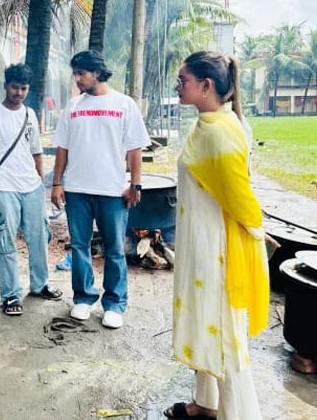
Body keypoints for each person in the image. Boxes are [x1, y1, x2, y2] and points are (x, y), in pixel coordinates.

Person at [164, 51, 271, 420]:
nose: (178, 87)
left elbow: (240, 196)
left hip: (218, 251)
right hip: (200, 244)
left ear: (206, 86)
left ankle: (240, 414)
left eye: (183, 81)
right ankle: (206, 403)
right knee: (204, 323)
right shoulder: (207, 123)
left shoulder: (221, 135)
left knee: (225, 337)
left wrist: (257, 229)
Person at [50, 50, 150, 329]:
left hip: (113, 191)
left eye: (81, 73)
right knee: (80, 246)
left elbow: (135, 149)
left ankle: (115, 303)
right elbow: (62, 148)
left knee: (115, 249)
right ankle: (83, 298)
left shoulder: (124, 104)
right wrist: (57, 183)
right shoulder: (72, 107)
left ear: (97, 72)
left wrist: (136, 184)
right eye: (75, 74)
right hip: (77, 190)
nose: (77, 79)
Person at [0, 64, 62, 316]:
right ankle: (11, 294)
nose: (18, 92)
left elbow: (36, 149)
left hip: (31, 187)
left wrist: (40, 179)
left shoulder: (30, 115)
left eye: (23, 88)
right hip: (4, 187)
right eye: (15, 87)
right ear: (6, 86)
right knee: (6, 241)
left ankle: (40, 284)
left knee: (39, 238)